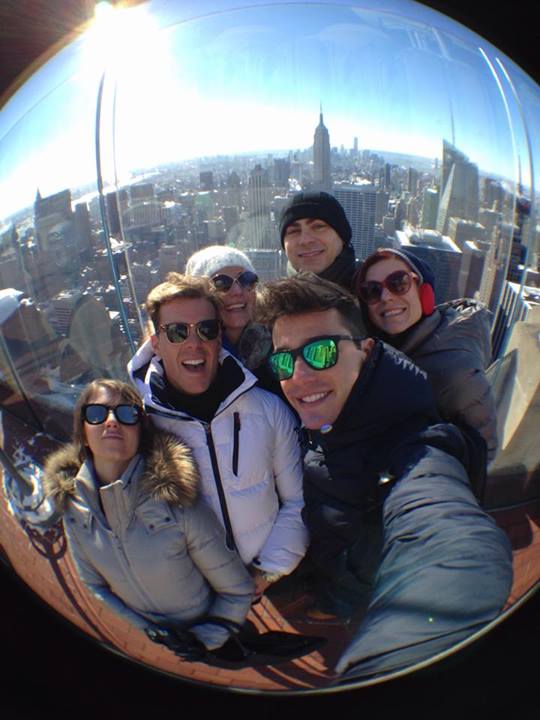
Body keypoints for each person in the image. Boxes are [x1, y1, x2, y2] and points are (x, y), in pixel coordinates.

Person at [258, 273, 512, 678]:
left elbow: (442, 530)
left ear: (366, 349)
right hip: (340, 583)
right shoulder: (315, 415)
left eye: (321, 352)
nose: (299, 375)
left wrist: (412, 646)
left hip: (368, 602)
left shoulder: (414, 446)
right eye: (285, 361)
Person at [127, 274, 308, 601]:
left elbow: (297, 501)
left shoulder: (268, 409)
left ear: (218, 337)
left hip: (270, 581)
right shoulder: (137, 426)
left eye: (206, 329)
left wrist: (266, 571)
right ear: (156, 343)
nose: (194, 343)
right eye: (177, 331)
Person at [43, 379, 254, 657]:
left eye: (126, 414)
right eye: (96, 413)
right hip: (163, 645)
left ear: (140, 431)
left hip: (220, 634)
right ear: (82, 430)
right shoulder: (72, 508)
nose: (111, 421)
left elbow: (237, 591)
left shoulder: (176, 503)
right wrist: (151, 631)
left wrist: (204, 641)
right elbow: (94, 584)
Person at [354, 247, 498, 462]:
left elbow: (483, 455)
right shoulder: (385, 350)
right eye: (372, 290)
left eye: (398, 283)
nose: (386, 297)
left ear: (423, 290)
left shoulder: (457, 371)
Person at [185, 245, 275, 389]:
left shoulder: (280, 343)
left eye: (246, 280)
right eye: (221, 284)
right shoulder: (191, 360)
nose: (237, 291)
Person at [279, 191, 358, 290]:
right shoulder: (273, 298)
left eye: (318, 227)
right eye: (293, 231)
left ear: (342, 237)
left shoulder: (371, 292)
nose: (305, 240)